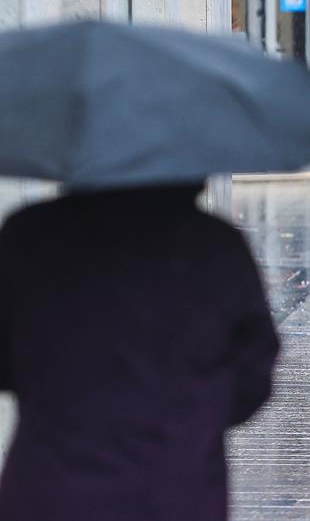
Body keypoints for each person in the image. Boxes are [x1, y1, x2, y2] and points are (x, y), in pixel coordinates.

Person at [0, 184, 279, 520]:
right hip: (176, 490)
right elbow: (253, 372)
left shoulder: (28, 234)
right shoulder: (214, 244)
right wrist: (195, 417)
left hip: (50, 490)